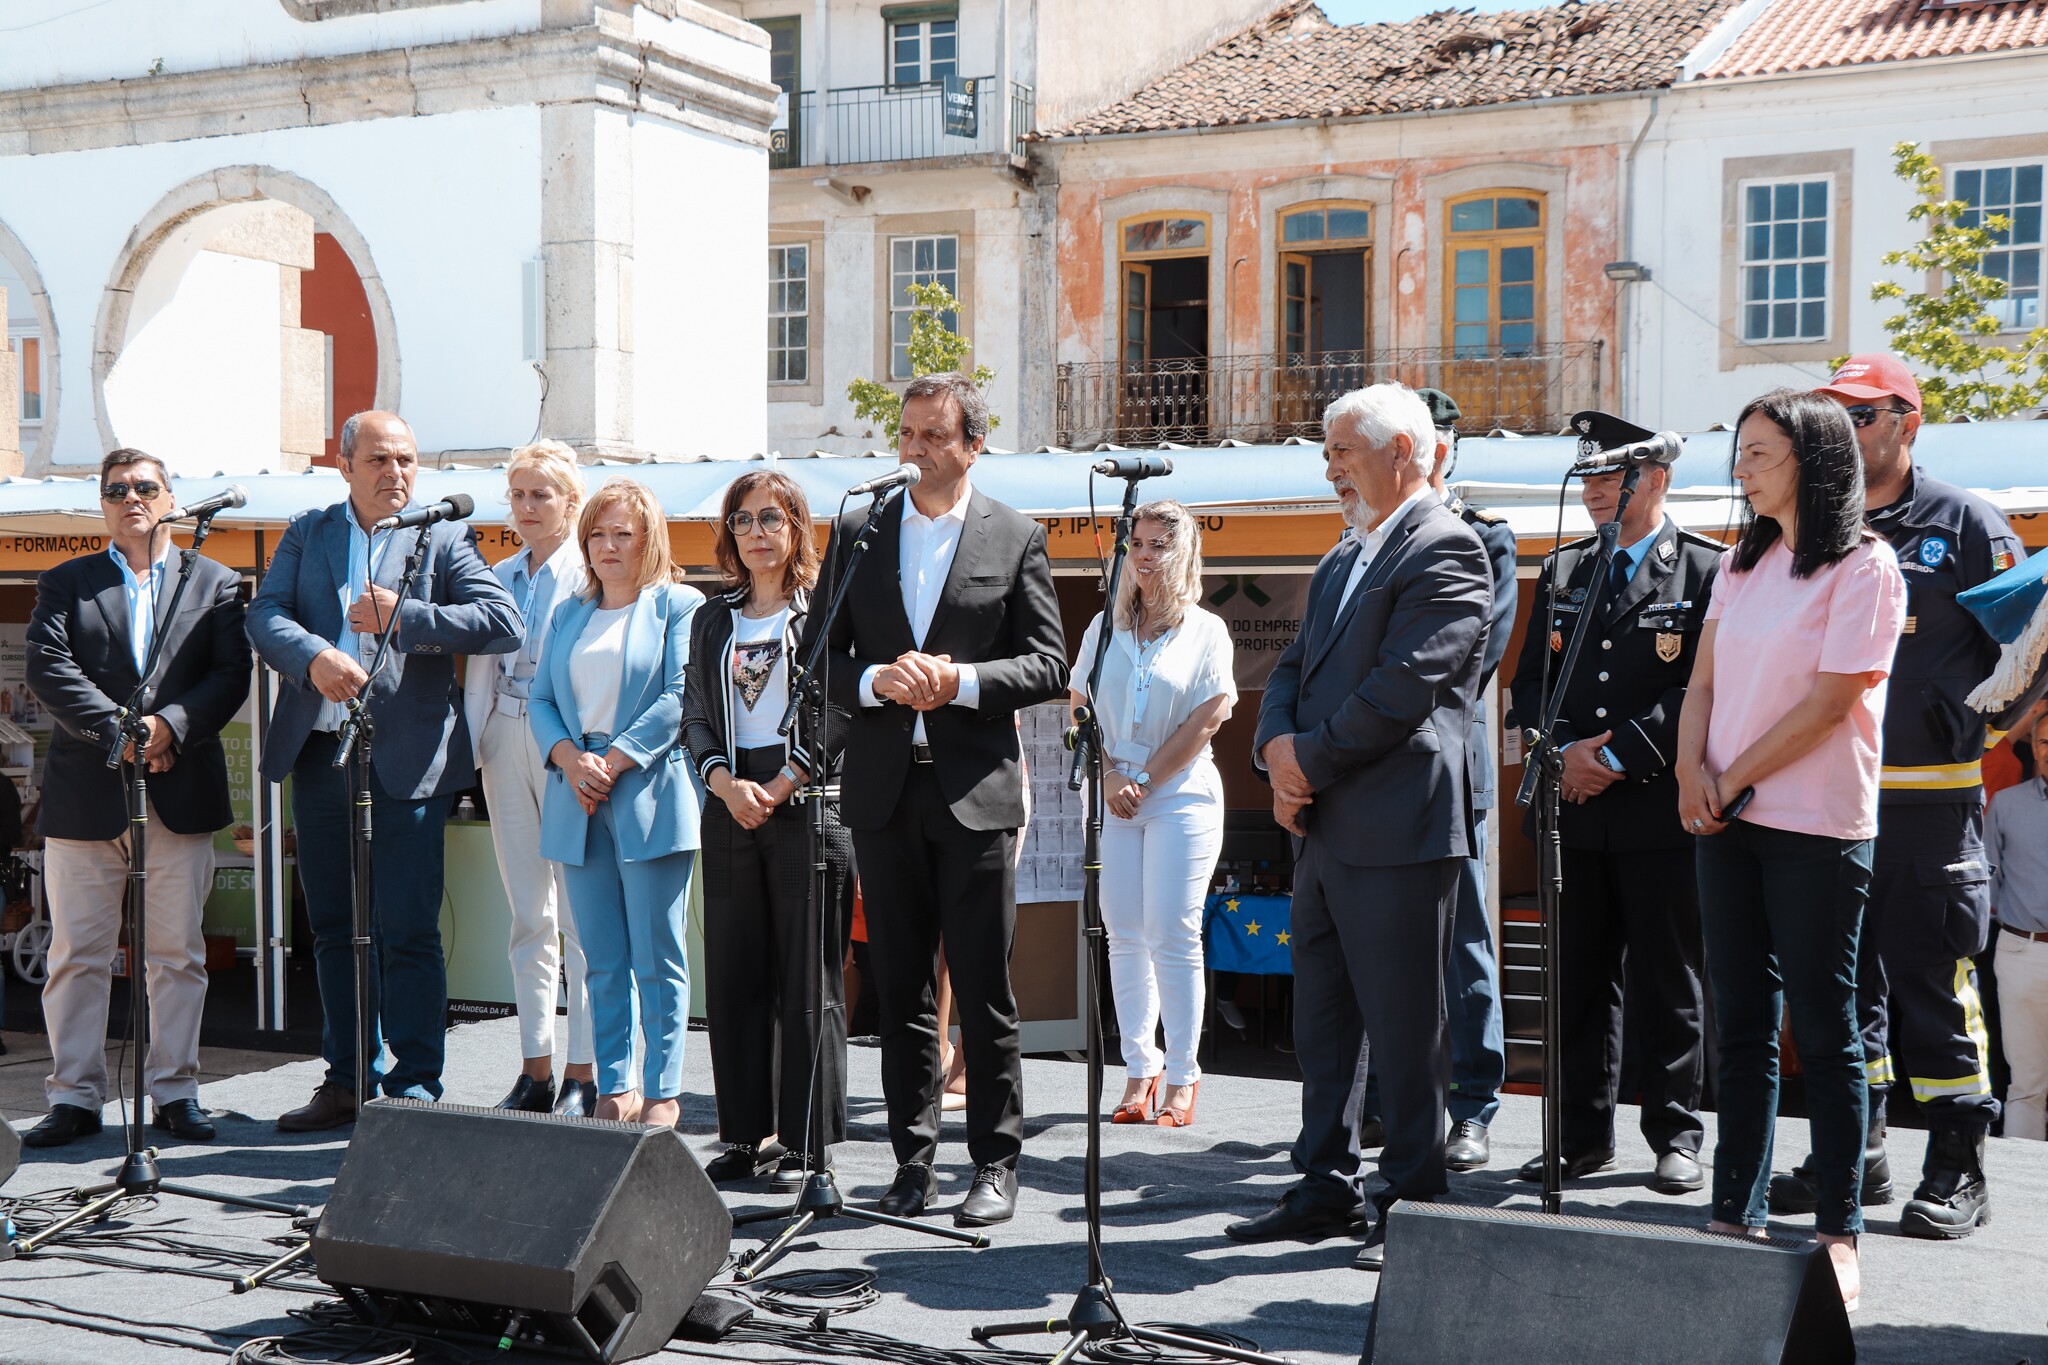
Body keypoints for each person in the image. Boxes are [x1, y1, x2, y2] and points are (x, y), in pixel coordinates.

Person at [1232, 383, 1492, 1273]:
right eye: (1329, 450)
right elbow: (1291, 667)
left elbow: (1402, 689)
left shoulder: (1445, 547)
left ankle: (1413, 1195)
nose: (1332, 466)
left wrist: (1308, 762)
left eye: (1346, 449)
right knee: (1326, 1019)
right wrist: (1275, 751)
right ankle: (1323, 1184)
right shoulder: (1347, 554)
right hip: (1325, 824)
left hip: (1400, 826)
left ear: (1407, 455)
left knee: (1407, 1022)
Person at [799, 371, 1067, 1228]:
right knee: (903, 988)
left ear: (972, 446)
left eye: (931, 436)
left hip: (975, 794)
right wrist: (879, 680)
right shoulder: (858, 528)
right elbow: (819, 662)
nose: (912, 450)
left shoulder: (1015, 535)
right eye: (905, 434)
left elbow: (1048, 665)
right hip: (883, 792)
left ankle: (995, 1162)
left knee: (983, 988)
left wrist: (957, 680)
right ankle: (912, 1163)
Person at [1767, 354, 2023, 1238]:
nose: (1843, 430)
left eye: (1862, 415)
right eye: (1831, 415)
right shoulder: (1810, 526)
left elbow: (2030, 653)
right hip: (1830, 794)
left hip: (1928, 801)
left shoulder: (1969, 523)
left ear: (1906, 423)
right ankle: (1859, 1154)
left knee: (1936, 983)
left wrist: (1978, 727)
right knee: (1841, 989)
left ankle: (1958, 1165)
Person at [1677, 387, 1906, 1312]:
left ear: (1812, 461)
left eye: (1761, 452)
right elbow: (1702, 681)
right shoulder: (1742, 563)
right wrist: (1693, 768)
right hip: (1726, 820)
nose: (1743, 466)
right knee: (1740, 1022)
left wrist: (1729, 779)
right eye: (1740, 450)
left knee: (1824, 1026)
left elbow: (1829, 701)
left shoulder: (1866, 566)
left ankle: (1839, 1228)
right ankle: (1735, 1211)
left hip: (1815, 825)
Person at [248, 411, 522, 1129]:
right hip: (322, 754)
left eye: (406, 459)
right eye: (379, 459)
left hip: (407, 762)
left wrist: (407, 614)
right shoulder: (310, 531)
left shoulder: (443, 534)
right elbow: (264, 614)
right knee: (335, 927)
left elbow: (502, 621)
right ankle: (346, 1079)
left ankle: (415, 1083)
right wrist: (312, 654)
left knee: (406, 927)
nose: (395, 472)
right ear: (345, 464)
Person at [1504, 410, 1723, 1196]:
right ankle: (1578, 1136)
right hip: (1573, 810)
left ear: (1655, 478)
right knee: (1577, 983)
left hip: (1657, 808)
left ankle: (1676, 1133)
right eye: (1589, 475)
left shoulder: (1703, 569)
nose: (1594, 490)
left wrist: (1617, 755)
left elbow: (1701, 686)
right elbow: (1529, 681)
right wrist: (1560, 754)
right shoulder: (1564, 569)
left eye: (1610, 476)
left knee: (1672, 979)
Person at [20, 449, 250, 1147]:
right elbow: (47, 666)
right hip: (86, 797)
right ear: (103, 504)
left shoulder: (214, 581)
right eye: (116, 489)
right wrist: (122, 733)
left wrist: (167, 726)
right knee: (76, 954)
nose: (131, 498)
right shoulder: (67, 581)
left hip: (178, 795)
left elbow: (228, 674)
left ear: (171, 497)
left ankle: (175, 1091)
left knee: (175, 954)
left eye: (145, 487)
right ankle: (75, 1097)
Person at [1356, 388, 1514, 1170]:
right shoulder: (1363, 541)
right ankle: (1388, 1101)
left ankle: (1474, 1105)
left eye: (1440, 441)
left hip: (1442, 773)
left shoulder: (1482, 541)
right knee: (1387, 953)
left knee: (1466, 945)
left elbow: (1469, 660)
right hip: (1366, 777)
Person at [683, 470, 852, 1186]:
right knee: (735, 976)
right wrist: (725, 783)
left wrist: (784, 782)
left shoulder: (824, 614)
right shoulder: (711, 618)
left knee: (805, 978)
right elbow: (694, 712)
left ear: (797, 529)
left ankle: (810, 1141)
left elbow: (843, 711)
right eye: (744, 520)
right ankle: (745, 1134)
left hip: (806, 803)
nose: (757, 533)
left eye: (772, 519)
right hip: (728, 803)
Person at [529, 479, 704, 1128]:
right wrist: (572, 759)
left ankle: (661, 1092)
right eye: (597, 533)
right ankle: (615, 1086)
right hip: (579, 795)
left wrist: (618, 758)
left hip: (651, 791)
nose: (606, 545)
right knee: (601, 961)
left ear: (648, 538)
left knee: (659, 958)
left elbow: (682, 694)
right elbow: (542, 700)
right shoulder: (569, 612)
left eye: (621, 533)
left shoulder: (679, 605)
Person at [1071, 499, 1235, 1129]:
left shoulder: (1206, 629)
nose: (1143, 556)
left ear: (1183, 550)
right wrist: (1112, 772)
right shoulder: (1103, 627)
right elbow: (1079, 701)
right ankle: (1141, 1067)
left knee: (1172, 928)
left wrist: (1143, 778)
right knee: (1123, 930)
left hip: (1181, 793)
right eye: (1135, 544)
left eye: (1157, 544)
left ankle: (1185, 1074)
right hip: (1114, 790)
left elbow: (1209, 716)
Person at [461, 441, 598, 1117]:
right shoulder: (499, 572)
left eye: (541, 493)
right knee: (527, 915)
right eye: (517, 494)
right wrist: (482, 739)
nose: (526, 507)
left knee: (579, 917)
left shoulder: (592, 573)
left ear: (572, 502)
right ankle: (535, 1067)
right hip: (503, 738)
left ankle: (584, 1071)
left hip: (566, 750)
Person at [1988, 716, 2048, 1142]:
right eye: (2043, 741)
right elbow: (1987, 883)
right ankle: (2017, 1197)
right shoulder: (2006, 804)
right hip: (2021, 952)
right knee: (2026, 1084)